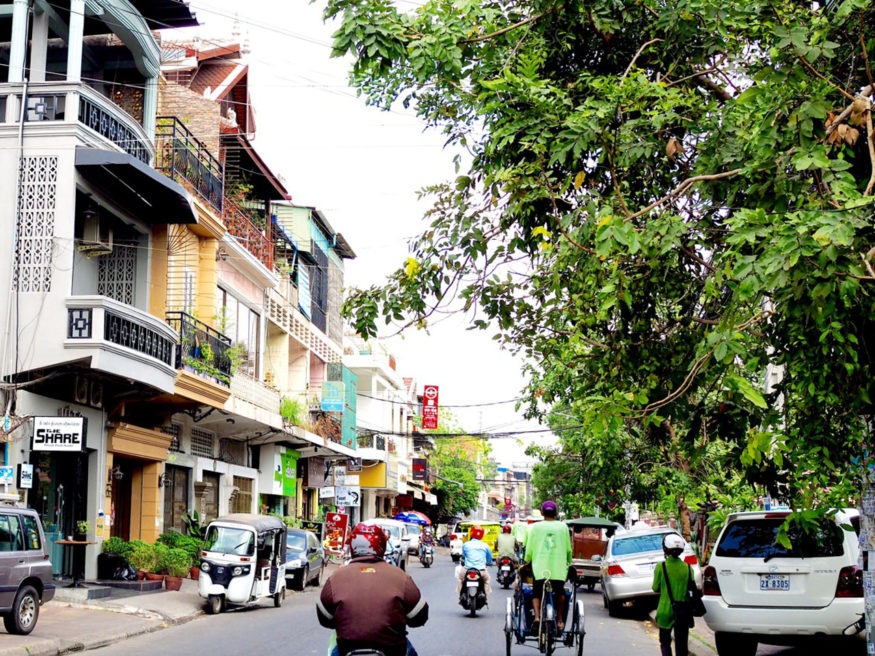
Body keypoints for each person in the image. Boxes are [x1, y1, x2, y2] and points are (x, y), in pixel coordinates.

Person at [317, 523, 428, 656]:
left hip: (347, 649)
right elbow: (419, 617)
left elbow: (325, 618)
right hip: (392, 649)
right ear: (382, 546)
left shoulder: (336, 577)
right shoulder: (400, 576)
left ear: (352, 547)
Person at [525, 500, 572, 633]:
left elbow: (530, 549)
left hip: (540, 568)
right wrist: (569, 560)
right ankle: (559, 620)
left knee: (536, 592)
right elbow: (568, 549)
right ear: (556, 513)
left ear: (542, 513)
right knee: (560, 592)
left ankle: (537, 617)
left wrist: (527, 559)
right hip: (558, 568)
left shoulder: (536, 527)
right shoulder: (563, 527)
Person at [652, 533, 691, 656]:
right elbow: (691, 588)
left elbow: (655, 588)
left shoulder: (661, 566)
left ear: (665, 549)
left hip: (665, 610)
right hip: (683, 612)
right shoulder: (688, 568)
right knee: (682, 645)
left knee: (665, 642)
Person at [455, 524, 493, 594]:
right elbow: (489, 557)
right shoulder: (485, 545)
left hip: (467, 570)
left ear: (471, 533)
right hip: (481, 571)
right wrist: (489, 563)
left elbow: (464, 555)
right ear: (482, 535)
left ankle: (461, 594)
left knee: (460, 579)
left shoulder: (466, 544)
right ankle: (485, 595)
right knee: (487, 580)